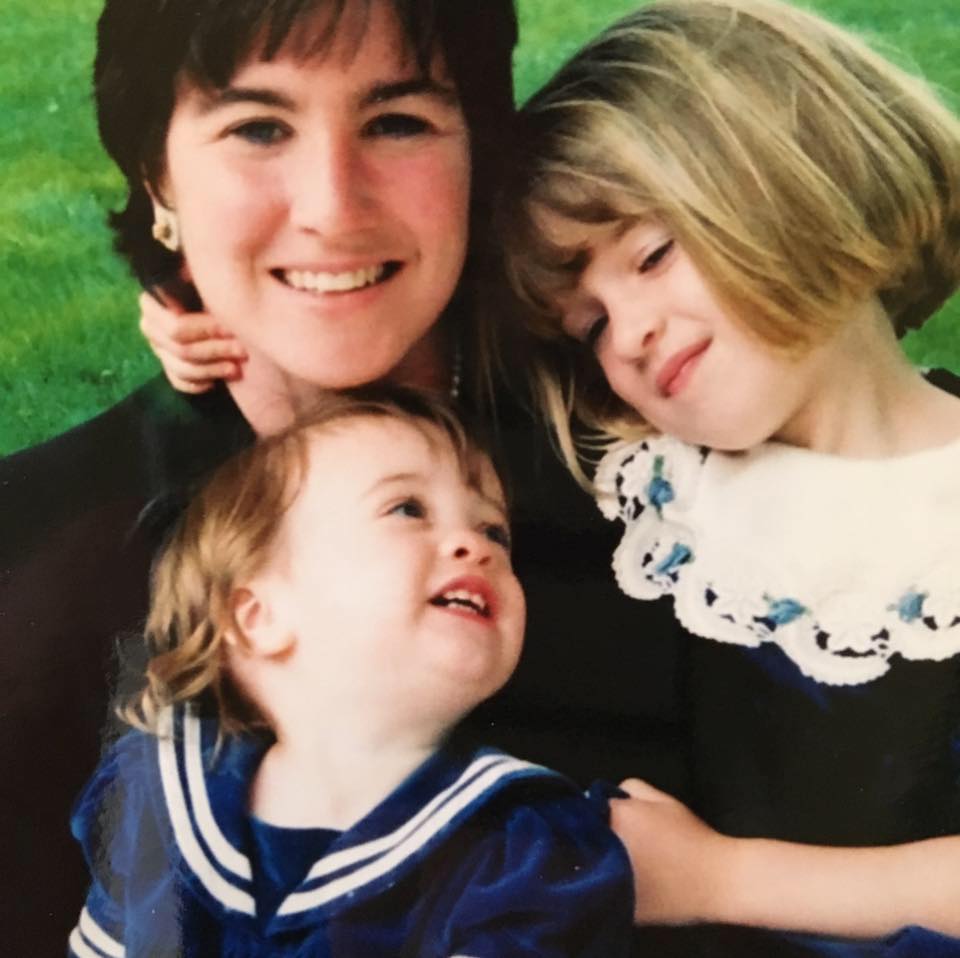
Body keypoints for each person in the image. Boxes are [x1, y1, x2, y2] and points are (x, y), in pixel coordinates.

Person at [0, 0, 680, 951]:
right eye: (258, 127)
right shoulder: (36, 566)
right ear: (158, 178)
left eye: (397, 122)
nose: (333, 207)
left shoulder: (646, 457)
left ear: (477, 150)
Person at [505, 0, 960, 953]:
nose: (628, 334)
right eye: (589, 325)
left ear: (792, 175)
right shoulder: (646, 501)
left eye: (652, 254)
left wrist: (722, 877)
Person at [67, 387, 634, 957]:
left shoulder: (520, 850)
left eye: (496, 532)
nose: (475, 546)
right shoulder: (159, 799)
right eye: (408, 509)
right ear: (259, 617)